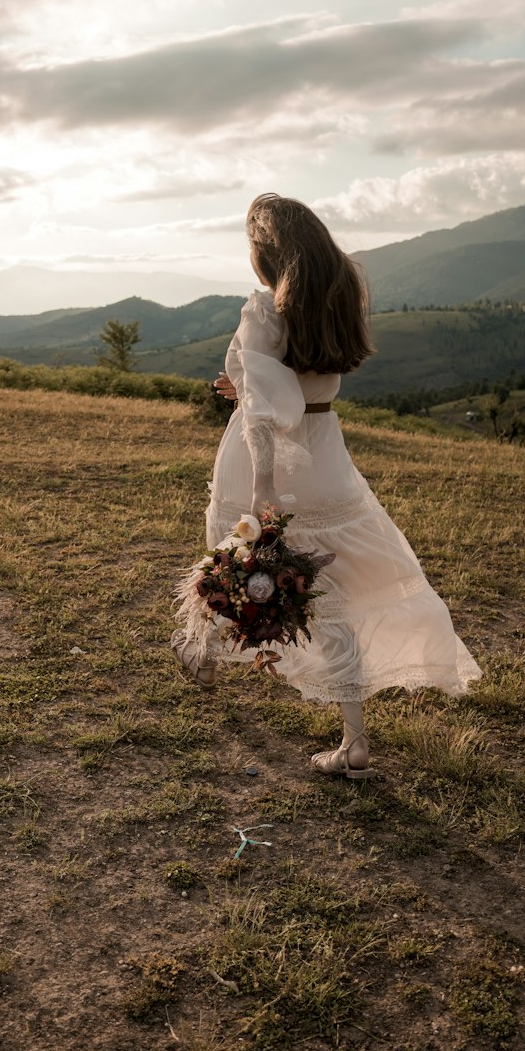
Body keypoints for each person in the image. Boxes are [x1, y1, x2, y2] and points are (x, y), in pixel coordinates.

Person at [172, 194, 480, 779]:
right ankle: (353, 740)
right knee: (327, 583)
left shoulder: (263, 309)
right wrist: (247, 386)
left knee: (233, 548)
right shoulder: (339, 296)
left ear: (267, 253)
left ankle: (203, 653)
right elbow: (296, 388)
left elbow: (265, 410)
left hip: (264, 457)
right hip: (324, 451)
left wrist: (263, 479)